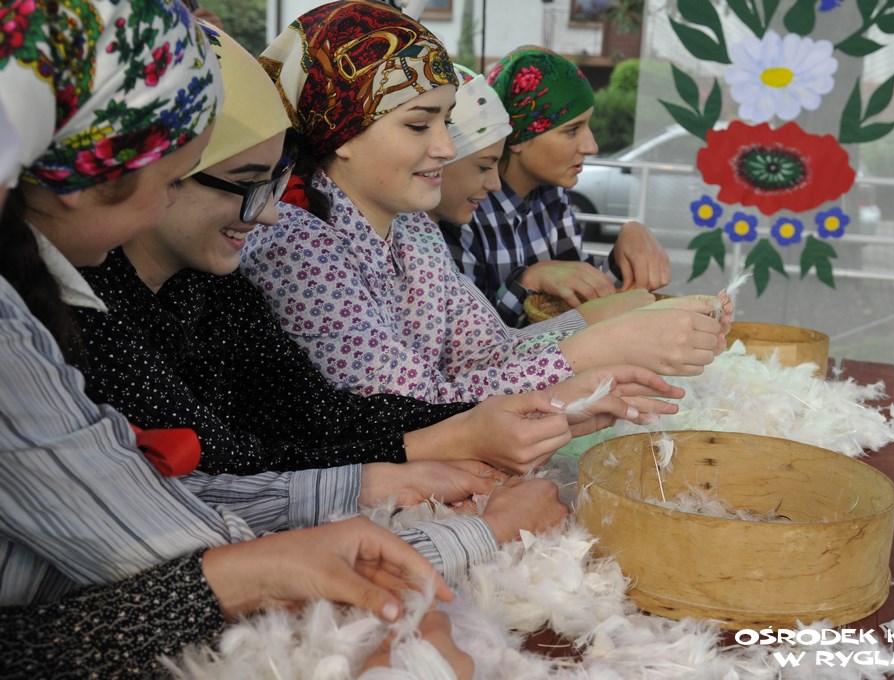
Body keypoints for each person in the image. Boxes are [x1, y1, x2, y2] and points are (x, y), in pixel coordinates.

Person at [0, 4, 468, 675]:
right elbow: (170, 540)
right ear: (96, 171)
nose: (270, 214)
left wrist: (413, 463)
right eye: (172, 178)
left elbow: (229, 478)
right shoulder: (61, 312)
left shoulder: (202, 286)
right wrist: (457, 528)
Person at [241, 0, 728, 405]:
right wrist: (596, 347)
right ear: (342, 132)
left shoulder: (414, 229)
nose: (446, 148)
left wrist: (623, 321)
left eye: (446, 122)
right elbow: (413, 408)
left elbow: (490, 356)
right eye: (419, 124)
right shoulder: (296, 247)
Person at [447, 46, 672, 329]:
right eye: (572, 130)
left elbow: (577, 303)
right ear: (518, 137)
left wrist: (626, 247)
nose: (592, 146)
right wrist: (527, 281)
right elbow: (466, 339)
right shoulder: (463, 206)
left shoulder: (551, 196)